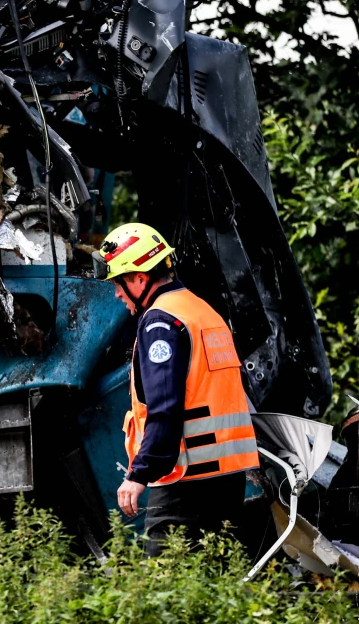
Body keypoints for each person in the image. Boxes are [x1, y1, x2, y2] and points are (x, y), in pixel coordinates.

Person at [93, 223, 259, 554]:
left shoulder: (161, 322)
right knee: (213, 577)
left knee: (163, 585)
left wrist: (139, 474)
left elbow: (165, 409)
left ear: (139, 278)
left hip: (188, 478)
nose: (116, 294)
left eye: (118, 283)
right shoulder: (202, 311)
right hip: (228, 477)